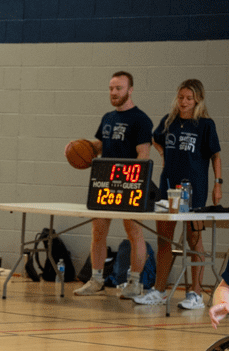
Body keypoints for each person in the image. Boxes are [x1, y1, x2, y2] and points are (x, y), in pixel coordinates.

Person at [136, 79, 222, 309]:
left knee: (194, 240)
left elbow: (215, 156)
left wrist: (218, 184)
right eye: (181, 97)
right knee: (164, 238)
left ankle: (195, 294)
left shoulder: (205, 124)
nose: (183, 102)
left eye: (189, 99)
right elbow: (156, 139)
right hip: (169, 187)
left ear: (197, 101)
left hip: (194, 189)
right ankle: (159, 290)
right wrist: (164, 154)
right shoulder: (169, 121)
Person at [72, 72, 153, 298]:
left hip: (129, 183)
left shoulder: (141, 120)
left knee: (133, 231)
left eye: (118, 88)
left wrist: (134, 184)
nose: (114, 92)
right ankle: (96, 279)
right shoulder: (108, 118)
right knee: (98, 230)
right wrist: (80, 147)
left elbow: (143, 155)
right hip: (105, 181)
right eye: (111, 88)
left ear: (130, 89)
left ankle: (135, 283)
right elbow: (99, 145)